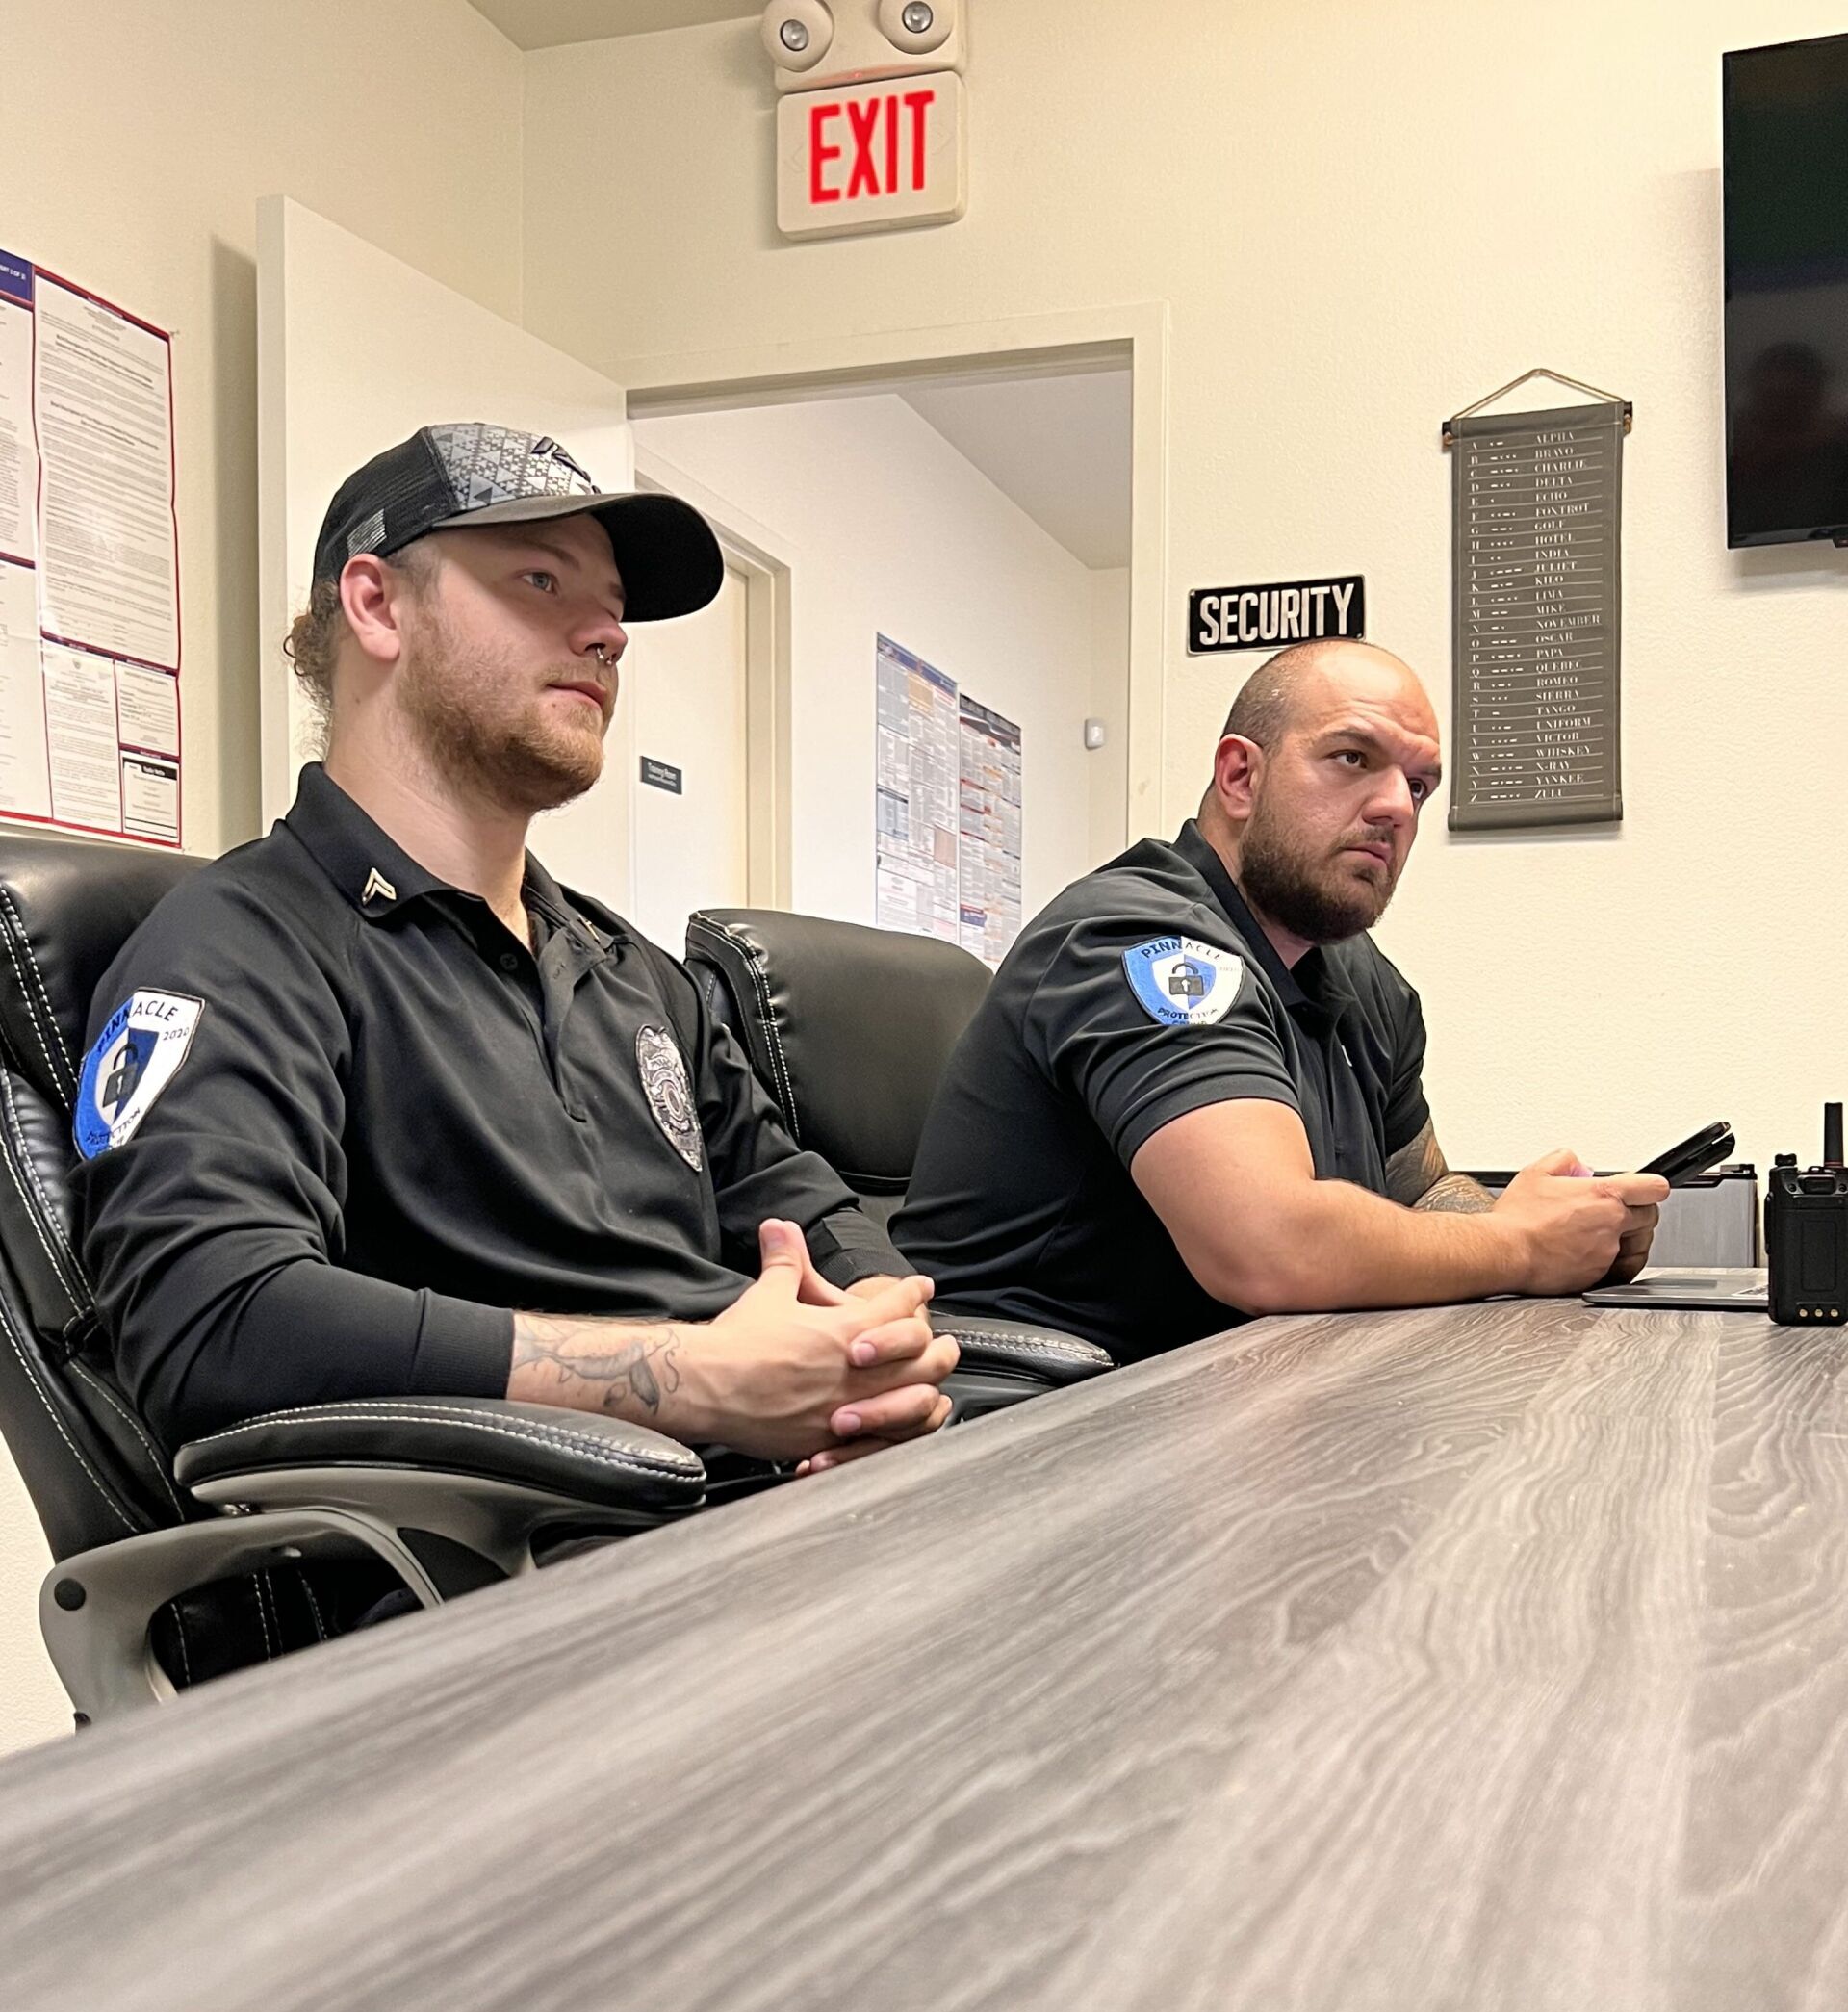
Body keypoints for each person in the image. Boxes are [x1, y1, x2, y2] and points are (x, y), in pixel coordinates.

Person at [77, 423, 958, 1495]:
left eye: (616, 610)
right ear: (376, 605)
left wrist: (877, 1336)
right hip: (539, 1561)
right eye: (540, 580)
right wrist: (691, 1377)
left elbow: (789, 1190)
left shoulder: (626, 969)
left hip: (779, 1499)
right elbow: (211, 1319)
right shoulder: (239, 945)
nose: (608, 636)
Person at [896, 637, 1665, 1362]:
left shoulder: (1362, 979)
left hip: (1242, 1396)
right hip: (1042, 1421)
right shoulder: (1140, 940)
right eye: (1353, 758)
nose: (1398, 806)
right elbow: (1267, 1246)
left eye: (1419, 784)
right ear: (1241, 778)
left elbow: (1423, 1189)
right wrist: (1522, 1248)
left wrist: (1560, 1225)